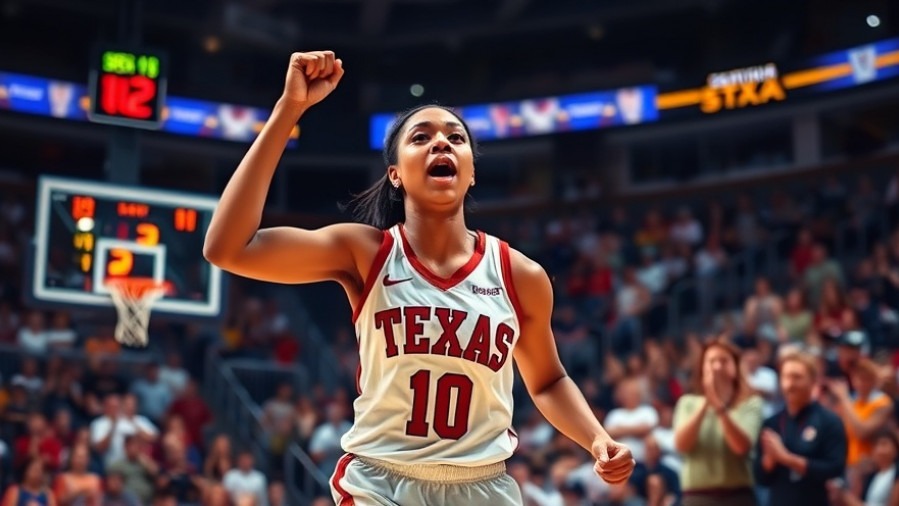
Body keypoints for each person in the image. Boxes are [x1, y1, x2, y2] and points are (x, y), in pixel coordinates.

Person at [203, 50, 635, 505]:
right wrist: (288, 111)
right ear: (395, 175)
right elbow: (227, 247)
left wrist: (595, 438)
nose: (441, 144)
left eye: (456, 137)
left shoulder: (521, 274)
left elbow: (547, 381)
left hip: (482, 484)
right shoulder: (366, 253)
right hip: (381, 480)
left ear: (470, 173)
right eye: (421, 137)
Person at [673, 337, 764, 506]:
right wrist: (707, 402)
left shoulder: (751, 403)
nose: (717, 367)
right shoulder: (688, 403)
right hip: (697, 497)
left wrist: (719, 408)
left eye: (724, 360)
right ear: (702, 368)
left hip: (737, 497)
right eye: (711, 361)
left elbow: (741, 447)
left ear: (736, 367)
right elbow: (681, 445)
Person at [754, 352, 847, 506]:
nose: (790, 384)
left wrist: (786, 458)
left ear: (813, 381)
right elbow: (761, 478)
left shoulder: (829, 421)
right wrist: (768, 461)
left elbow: (834, 468)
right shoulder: (772, 424)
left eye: (797, 377)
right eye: (786, 377)